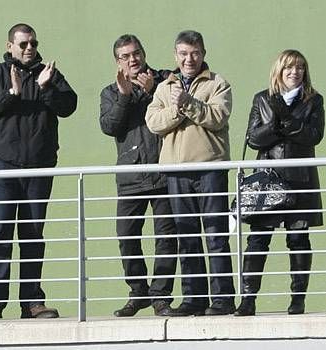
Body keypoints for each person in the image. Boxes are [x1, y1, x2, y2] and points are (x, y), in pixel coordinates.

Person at [0, 23, 77, 319]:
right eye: (23, 44)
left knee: (32, 234)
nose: (29, 48)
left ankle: (32, 301)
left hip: (38, 167)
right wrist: (11, 93)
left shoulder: (49, 74)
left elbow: (69, 105)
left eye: (33, 43)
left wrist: (45, 88)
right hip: (1, 166)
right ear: (10, 46)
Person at [145, 30, 235, 316]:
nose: (189, 59)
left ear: (203, 54)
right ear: (175, 55)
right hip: (176, 171)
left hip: (210, 169)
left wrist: (187, 103)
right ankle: (193, 299)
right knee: (187, 237)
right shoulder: (164, 88)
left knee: (216, 236)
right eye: (183, 53)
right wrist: (178, 107)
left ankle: (222, 300)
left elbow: (218, 117)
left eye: (194, 53)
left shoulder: (218, 83)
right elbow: (153, 122)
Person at [234, 49, 325, 316]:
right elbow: (253, 139)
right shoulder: (262, 99)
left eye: (299, 67)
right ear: (279, 70)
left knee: (298, 238)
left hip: (300, 180)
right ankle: (248, 299)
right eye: (289, 67)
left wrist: (285, 119)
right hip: (268, 180)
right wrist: (277, 124)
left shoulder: (313, 100)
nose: (294, 72)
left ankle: (298, 299)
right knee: (258, 240)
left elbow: (313, 135)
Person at [100, 34, 178, 317]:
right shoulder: (110, 92)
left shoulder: (165, 81)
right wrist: (124, 97)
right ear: (118, 61)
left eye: (136, 53)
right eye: (125, 56)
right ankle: (138, 292)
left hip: (163, 170)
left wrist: (153, 89)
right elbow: (110, 126)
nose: (132, 60)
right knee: (127, 236)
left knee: (167, 237)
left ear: (144, 53)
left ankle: (160, 296)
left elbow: (173, 112)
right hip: (131, 174)